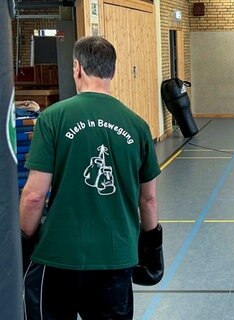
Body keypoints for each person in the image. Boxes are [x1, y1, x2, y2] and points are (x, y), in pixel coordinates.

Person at [20, 36, 162, 319]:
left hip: (59, 256)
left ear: (77, 68)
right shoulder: (137, 124)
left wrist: (25, 240)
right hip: (116, 257)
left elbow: (34, 196)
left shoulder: (52, 118)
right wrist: (152, 245)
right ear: (113, 70)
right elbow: (148, 200)